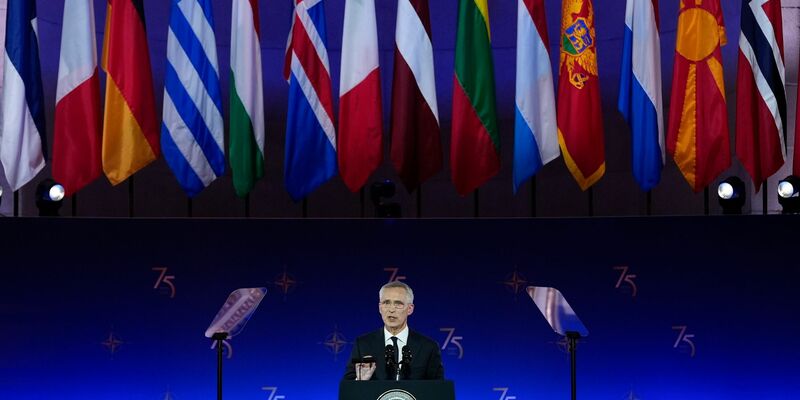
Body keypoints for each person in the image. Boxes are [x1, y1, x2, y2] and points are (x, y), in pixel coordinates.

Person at [343, 281, 444, 381]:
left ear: (410, 309)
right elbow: (348, 388)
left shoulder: (428, 347)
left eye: (398, 304)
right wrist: (360, 381)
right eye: (386, 303)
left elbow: (438, 390)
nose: (391, 309)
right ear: (380, 308)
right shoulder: (363, 344)